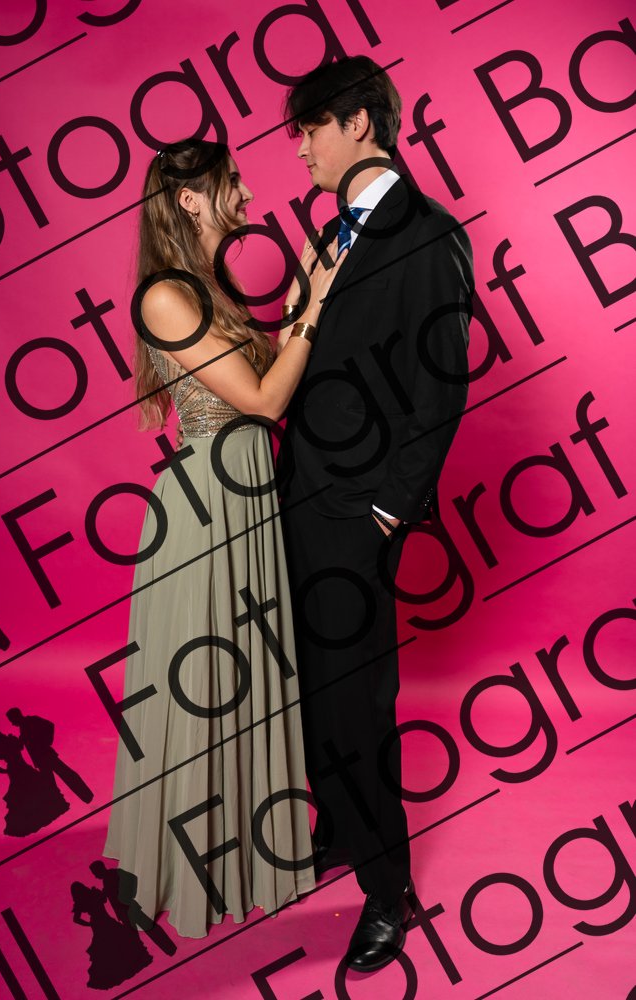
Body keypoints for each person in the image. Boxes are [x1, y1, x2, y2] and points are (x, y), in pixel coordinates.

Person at [104, 137, 345, 938]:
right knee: (206, 683)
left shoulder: (211, 285)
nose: (245, 192)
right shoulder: (165, 297)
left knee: (242, 679)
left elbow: (273, 376)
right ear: (189, 199)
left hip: (246, 501)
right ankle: (190, 864)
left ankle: (241, 851)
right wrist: (315, 298)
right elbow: (263, 400)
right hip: (206, 510)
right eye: (229, 181)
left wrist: (305, 290)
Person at [278, 56, 474, 971]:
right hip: (296, 495)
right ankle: (337, 828)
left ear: (357, 122)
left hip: (356, 511)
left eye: (310, 128)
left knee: (354, 697)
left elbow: (441, 386)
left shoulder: (427, 234)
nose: (300, 149)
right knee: (309, 683)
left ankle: (387, 890)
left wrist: (387, 511)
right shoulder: (331, 232)